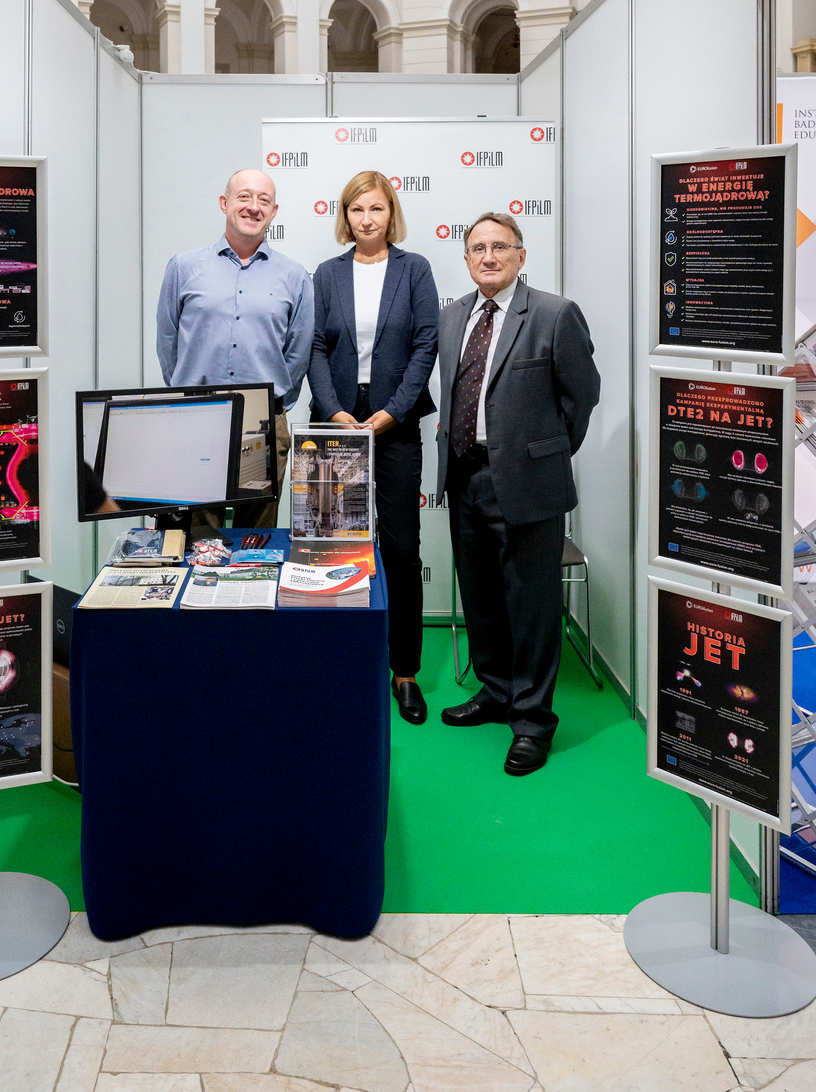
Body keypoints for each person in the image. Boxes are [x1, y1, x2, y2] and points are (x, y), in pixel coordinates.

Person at [437, 211, 600, 774]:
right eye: (478, 248)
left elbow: (582, 396)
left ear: (521, 255)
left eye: (500, 247)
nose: (488, 257)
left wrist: (544, 454)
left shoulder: (554, 313)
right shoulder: (452, 316)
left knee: (531, 605)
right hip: (465, 476)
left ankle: (532, 722)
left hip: (529, 482)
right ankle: (496, 691)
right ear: (466, 258)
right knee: (480, 597)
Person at [309, 171, 439, 724]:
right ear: (346, 215)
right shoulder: (326, 273)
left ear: (391, 214)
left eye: (377, 209)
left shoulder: (415, 269)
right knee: (333, 546)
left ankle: (404, 671)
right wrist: (335, 411)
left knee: (402, 551)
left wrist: (393, 412)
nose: (367, 219)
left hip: (397, 425)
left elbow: (426, 344)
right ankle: (339, 661)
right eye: (357, 209)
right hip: (337, 422)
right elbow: (314, 346)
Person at [156, 168, 313, 529]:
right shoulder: (184, 267)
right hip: (196, 416)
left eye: (264, 200)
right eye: (244, 196)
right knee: (197, 535)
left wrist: (273, 403)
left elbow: (298, 352)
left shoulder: (295, 276)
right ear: (224, 203)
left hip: (264, 422)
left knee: (257, 539)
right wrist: (188, 393)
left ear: (274, 211)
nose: (253, 206)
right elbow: (167, 341)